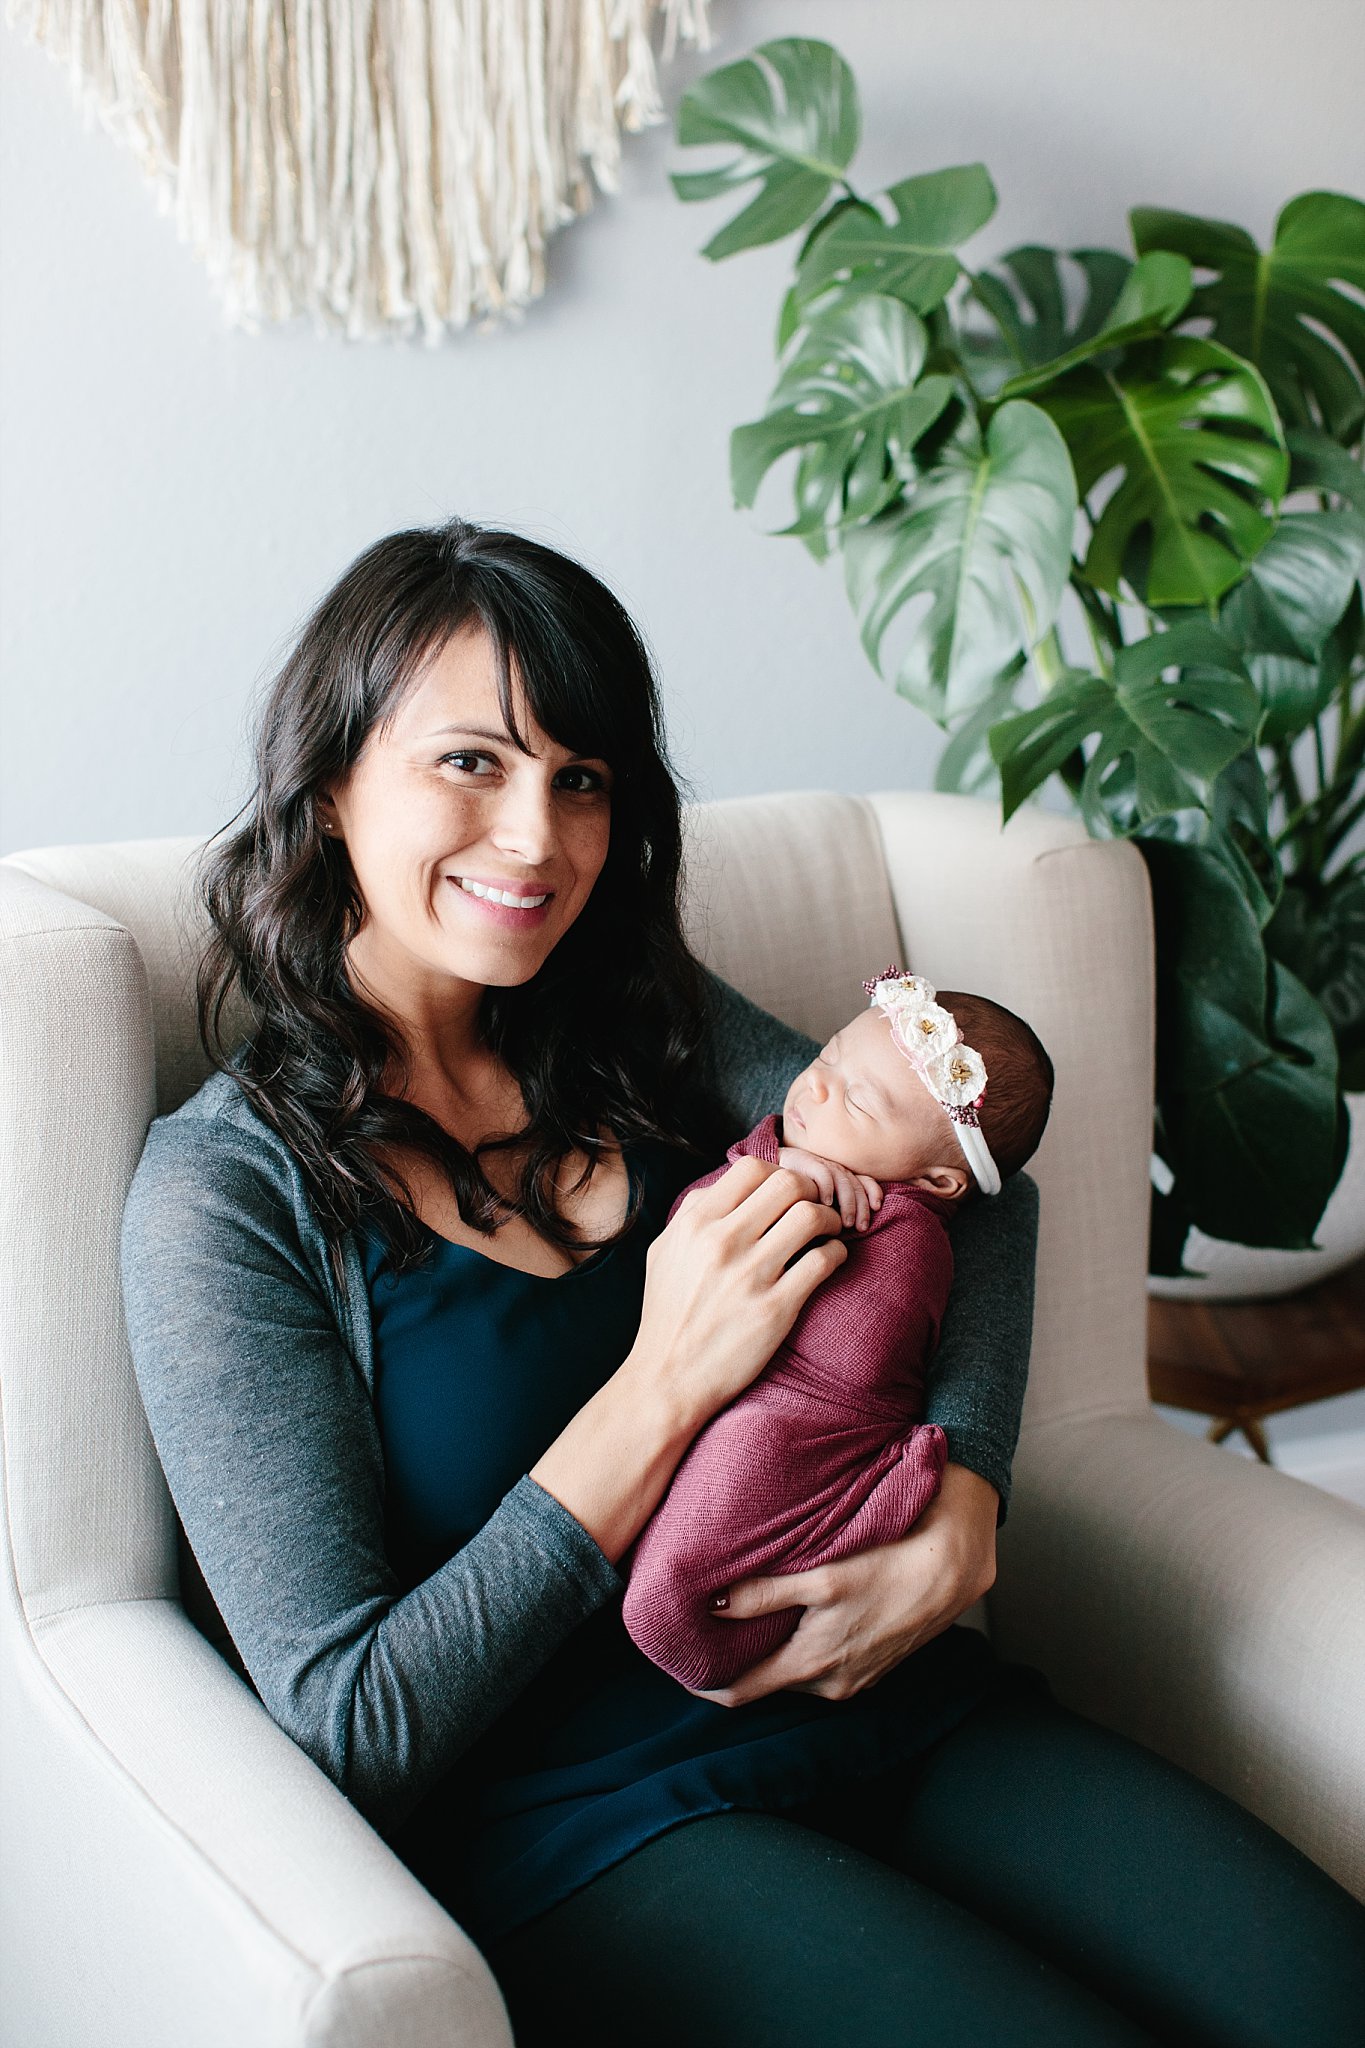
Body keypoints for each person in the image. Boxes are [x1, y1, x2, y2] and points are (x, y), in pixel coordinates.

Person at [118, 517, 1365, 2048]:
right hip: (585, 1829)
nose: (536, 839)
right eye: (470, 764)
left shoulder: (639, 1019)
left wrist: (967, 1493)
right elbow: (351, 1725)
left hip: (889, 1702)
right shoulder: (226, 1196)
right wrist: (664, 1381)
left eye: (581, 779)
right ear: (328, 787)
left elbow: (974, 1187)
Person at [622, 975, 1055, 1693]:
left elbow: (999, 1196)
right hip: (749, 1414)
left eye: (854, 1098)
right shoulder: (804, 1154)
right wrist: (768, 1168)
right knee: (667, 1584)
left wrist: (968, 1479)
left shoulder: (915, 1213)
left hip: (831, 1435)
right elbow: (695, 1223)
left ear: (941, 1184)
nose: (814, 1089)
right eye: (824, 1058)